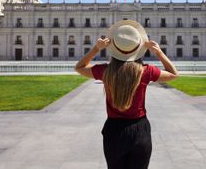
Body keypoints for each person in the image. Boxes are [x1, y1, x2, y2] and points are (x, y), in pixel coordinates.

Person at [75, 20, 178, 169]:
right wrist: (159, 52)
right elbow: (173, 74)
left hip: (114, 131)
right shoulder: (145, 71)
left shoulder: (106, 71)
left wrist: (96, 49)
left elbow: (79, 67)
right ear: (138, 47)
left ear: (114, 47)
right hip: (140, 130)